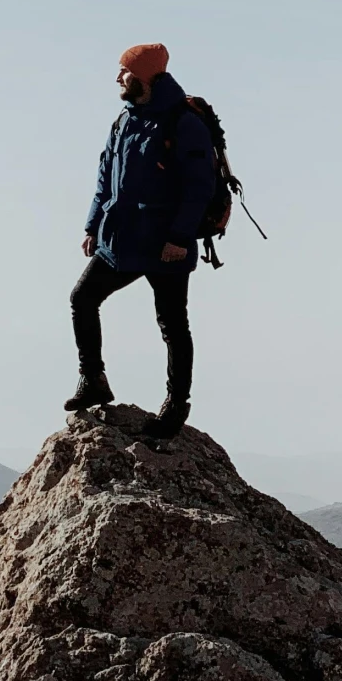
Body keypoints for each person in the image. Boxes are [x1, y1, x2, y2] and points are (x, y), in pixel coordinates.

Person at [66, 42, 217, 440]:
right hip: (121, 240)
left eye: (124, 72)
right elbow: (105, 175)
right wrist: (92, 225)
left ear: (145, 77)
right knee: (82, 299)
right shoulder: (123, 120)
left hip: (166, 245)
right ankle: (93, 379)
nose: (118, 78)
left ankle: (175, 405)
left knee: (172, 324)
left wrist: (180, 238)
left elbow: (199, 187)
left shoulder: (183, 123)